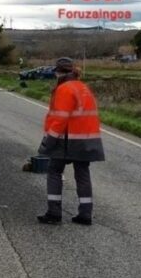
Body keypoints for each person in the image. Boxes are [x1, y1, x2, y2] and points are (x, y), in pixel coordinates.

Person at [37, 57, 106, 225]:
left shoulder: (63, 89)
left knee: (54, 171)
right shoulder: (83, 87)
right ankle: (85, 214)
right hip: (87, 140)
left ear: (58, 72)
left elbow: (60, 118)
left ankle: (54, 213)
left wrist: (49, 141)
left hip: (68, 139)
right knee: (82, 174)